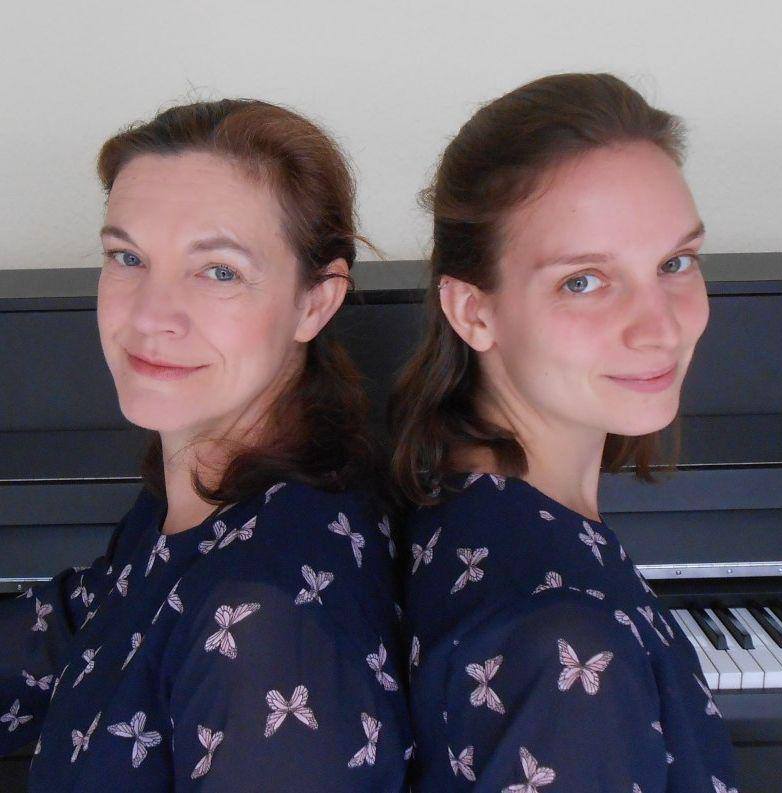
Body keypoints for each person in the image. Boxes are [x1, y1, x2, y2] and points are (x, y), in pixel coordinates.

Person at [0, 99, 410, 791]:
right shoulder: (195, 501)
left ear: (315, 301)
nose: (150, 315)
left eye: (218, 270)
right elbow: (66, 636)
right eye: (128, 257)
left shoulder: (266, 621)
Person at [390, 73, 737, 792]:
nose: (659, 328)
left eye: (674, 263)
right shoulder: (562, 651)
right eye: (583, 280)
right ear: (473, 312)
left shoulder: (464, 494)